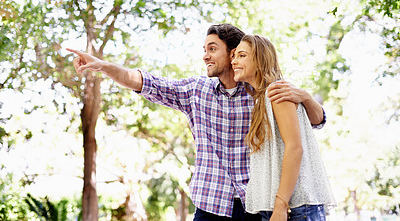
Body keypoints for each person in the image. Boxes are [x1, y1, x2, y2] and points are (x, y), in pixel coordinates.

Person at [67, 23, 326, 220]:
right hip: (211, 204)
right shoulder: (196, 90)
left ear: (233, 53)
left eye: (212, 49)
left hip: (257, 205)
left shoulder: (263, 91)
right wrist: (103, 66)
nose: (205, 56)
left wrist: (305, 97)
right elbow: (144, 81)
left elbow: (314, 123)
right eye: (204, 50)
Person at [231, 34, 335, 221]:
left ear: (260, 60)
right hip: (277, 207)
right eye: (234, 56)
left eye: (242, 55)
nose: (234, 62)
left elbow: (295, 148)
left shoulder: (277, 92)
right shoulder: (261, 99)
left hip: (294, 209)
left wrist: (280, 205)